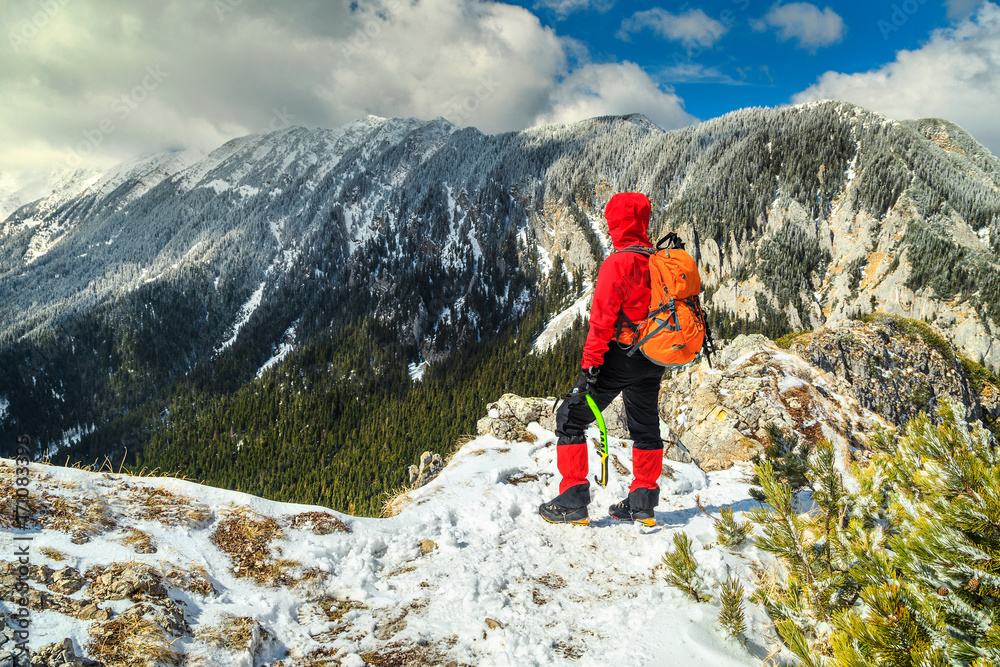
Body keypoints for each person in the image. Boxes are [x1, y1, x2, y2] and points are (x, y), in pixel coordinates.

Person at [538, 192, 665, 527]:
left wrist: (590, 367)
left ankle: (573, 501)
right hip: (654, 356)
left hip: (621, 356)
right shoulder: (659, 261)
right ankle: (642, 504)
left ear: (617, 224)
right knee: (646, 429)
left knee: (570, 417)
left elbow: (601, 322)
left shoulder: (618, 264)